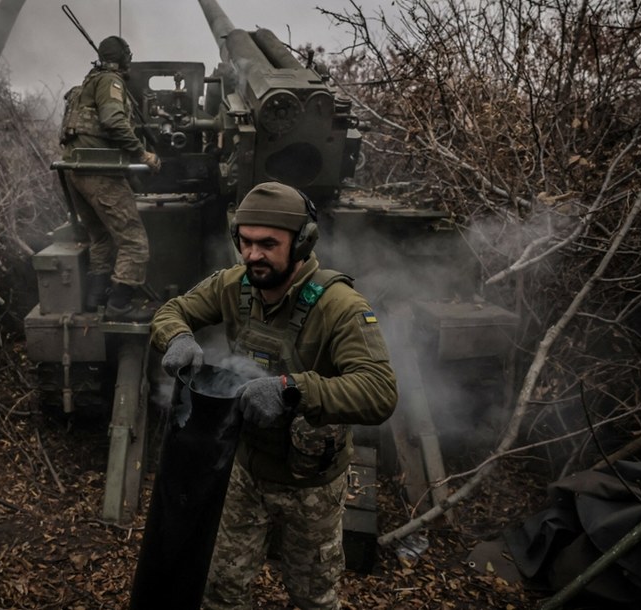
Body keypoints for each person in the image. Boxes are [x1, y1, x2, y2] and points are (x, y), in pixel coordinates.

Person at [150, 181, 398, 610]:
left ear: (302, 242)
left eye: (268, 243)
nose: (253, 255)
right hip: (244, 469)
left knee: (313, 599)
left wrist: (293, 389)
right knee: (222, 591)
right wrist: (177, 337)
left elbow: (379, 391)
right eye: (245, 242)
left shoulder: (340, 305)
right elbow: (172, 311)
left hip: (311, 485)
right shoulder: (235, 285)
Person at [60, 35, 160, 322]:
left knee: (100, 237)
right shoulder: (110, 82)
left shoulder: (83, 87)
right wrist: (143, 155)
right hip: (99, 172)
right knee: (134, 242)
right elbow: (114, 121)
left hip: (74, 172)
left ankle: (94, 298)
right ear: (124, 58)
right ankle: (119, 305)